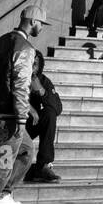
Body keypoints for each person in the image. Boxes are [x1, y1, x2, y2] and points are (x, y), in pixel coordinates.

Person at [0, 6, 46, 204]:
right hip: (8, 119)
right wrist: (21, 118)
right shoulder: (25, 48)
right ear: (33, 21)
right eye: (41, 23)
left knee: (26, 150)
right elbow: (20, 86)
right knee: (4, 164)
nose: (41, 27)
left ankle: (3, 193)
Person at [25, 51, 62, 183]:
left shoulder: (43, 80)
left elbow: (57, 108)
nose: (31, 68)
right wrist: (30, 109)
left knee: (50, 114)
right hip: (12, 124)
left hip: (29, 126)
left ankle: (43, 165)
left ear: (39, 67)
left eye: (34, 65)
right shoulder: (16, 76)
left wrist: (41, 90)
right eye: (29, 64)